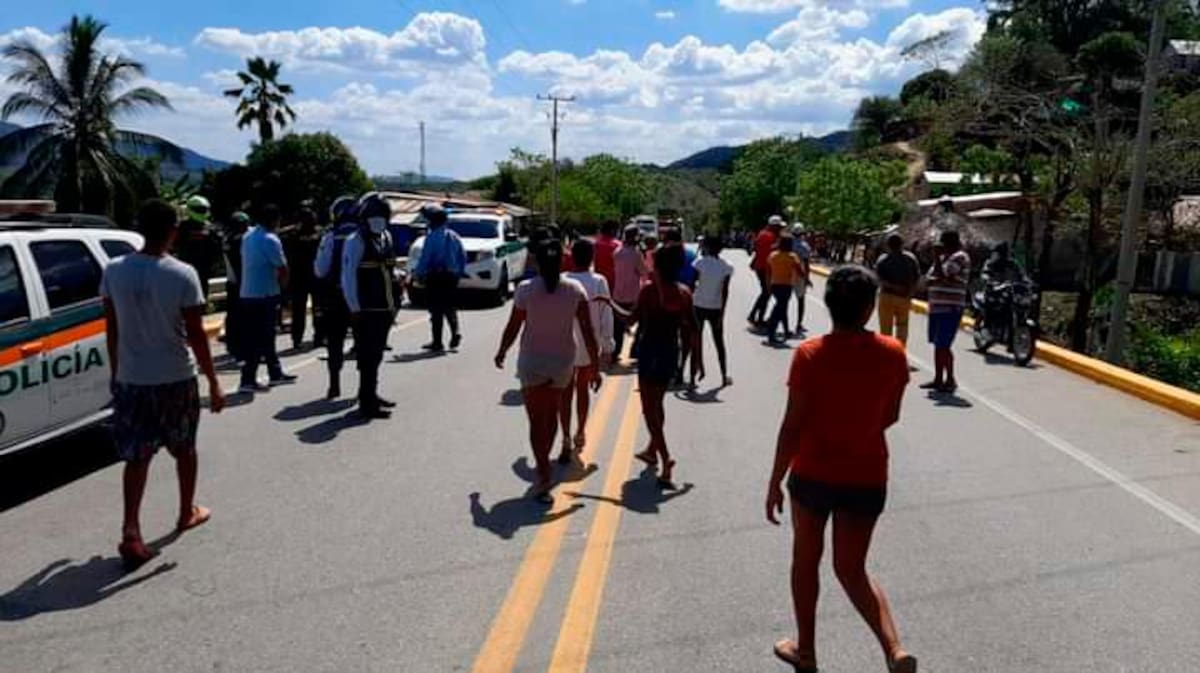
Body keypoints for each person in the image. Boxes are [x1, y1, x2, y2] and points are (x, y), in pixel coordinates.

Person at [765, 265, 916, 673]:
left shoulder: (810, 354)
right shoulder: (893, 353)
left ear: (829, 306)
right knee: (852, 569)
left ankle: (807, 651)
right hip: (867, 475)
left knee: (805, 560)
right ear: (870, 309)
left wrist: (774, 480)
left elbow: (792, 426)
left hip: (813, 473)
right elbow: (891, 416)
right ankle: (894, 648)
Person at [100, 199, 226, 570]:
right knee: (184, 448)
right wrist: (215, 383)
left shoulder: (113, 270)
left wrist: (116, 371)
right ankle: (185, 511)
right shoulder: (182, 274)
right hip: (174, 377)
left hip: (131, 379)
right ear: (174, 230)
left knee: (136, 457)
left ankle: (130, 530)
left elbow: (113, 328)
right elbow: (197, 336)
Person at [495, 236, 601, 504]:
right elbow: (587, 331)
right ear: (561, 260)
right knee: (552, 415)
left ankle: (543, 472)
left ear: (537, 262)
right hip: (562, 363)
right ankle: (545, 470)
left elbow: (514, 325)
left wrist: (502, 350)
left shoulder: (525, 289)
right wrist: (595, 366)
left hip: (532, 362)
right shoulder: (575, 289)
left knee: (535, 421)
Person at [607, 245, 702, 487]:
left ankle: (666, 458)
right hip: (670, 352)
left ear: (658, 267)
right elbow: (694, 329)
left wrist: (608, 303)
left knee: (649, 410)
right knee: (657, 404)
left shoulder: (649, 292)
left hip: (649, 352)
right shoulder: (684, 293)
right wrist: (698, 360)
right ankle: (652, 448)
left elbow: (630, 319)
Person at [342, 193, 399, 419]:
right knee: (367, 357)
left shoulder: (385, 237)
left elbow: (389, 270)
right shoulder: (355, 241)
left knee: (376, 355)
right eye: (375, 216)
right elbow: (347, 276)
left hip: (384, 307)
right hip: (365, 309)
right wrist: (354, 307)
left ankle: (371, 394)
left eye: (383, 216)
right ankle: (366, 402)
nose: (379, 220)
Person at [560, 239, 614, 459]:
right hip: (587, 343)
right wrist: (607, 345)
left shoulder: (563, 280)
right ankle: (580, 431)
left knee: (565, 392)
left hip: (564, 341)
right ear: (592, 257)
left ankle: (564, 436)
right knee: (582, 389)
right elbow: (605, 314)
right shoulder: (599, 281)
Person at [239, 204, 296, 393]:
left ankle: (275, 372)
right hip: (265, 294)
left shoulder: (248, 237)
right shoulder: (271, 239)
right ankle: (248, 379)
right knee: (259, 337)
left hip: (248, 293)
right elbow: (282, 269)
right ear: (273, 220)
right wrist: (284, 292)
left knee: (265, 336)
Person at [314, 196, 360, 399]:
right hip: (362, 297)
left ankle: (334, 384)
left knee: (335, 342)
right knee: (365, 342)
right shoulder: (365, 236)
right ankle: (365, 388)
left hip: (336, 296)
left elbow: (320, 270)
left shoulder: (330, 237)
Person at [413, 204, 466, 352]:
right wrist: (458, 273)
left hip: (436, 277)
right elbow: (463, 257)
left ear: (433, 221)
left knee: (436, 310)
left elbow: (425, 258)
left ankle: (437, 342)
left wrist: (418, 274)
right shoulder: (454, 236)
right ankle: (455, 332)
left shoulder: (431, 237)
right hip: (451, 277)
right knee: (450, 307)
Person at [923, 230, 970, 393]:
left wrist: (936, 260)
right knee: (938, 345)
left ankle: (950, 379)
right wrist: (939, 272)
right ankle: (938, 379)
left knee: (944, 345)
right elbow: (928, 280)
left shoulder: (960, 257)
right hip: (936, 307)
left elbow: (943, 276)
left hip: (950, 307)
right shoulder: (943, 259)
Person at [692, 235, 734, 386]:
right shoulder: (726, 266)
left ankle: (692, 377)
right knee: (719, 342)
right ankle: (724, 375)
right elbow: (725, 292)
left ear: (707, 248)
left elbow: (693, 284)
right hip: (716, 307)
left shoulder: (699, 263)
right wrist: (722, 313)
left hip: (698, 305)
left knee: (696, 340)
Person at [284, 206, 323, 350]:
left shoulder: (293, 234)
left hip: (307, 277)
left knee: (313, 310)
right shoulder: (295, 234)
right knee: (303, 311)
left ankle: (312, 337)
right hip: (305, 277)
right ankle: (305, 338)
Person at [873, 234, 921, 347]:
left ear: (888, 245)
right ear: (902, 244)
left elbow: (878, 278)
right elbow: (916, 277)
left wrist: (891, 286)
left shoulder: (883, 259)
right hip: (904, 296)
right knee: (902, 326)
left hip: (886, 296)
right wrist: (910, 292)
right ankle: (899, 351)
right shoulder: (911, 258)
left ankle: (886, 351)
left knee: (885, 327)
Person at [611, 226, 649, 358]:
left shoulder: (617, 251)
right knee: (643, 322)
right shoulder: (635, 253)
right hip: (633, 295)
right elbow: (644, 272)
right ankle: (635, 350)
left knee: (618, 327)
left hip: (618, 294)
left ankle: (615, 351)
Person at [176, 195, 222, 301]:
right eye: (200, 209)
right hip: (186, 268)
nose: (203, 212)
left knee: (201, 299)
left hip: (203, 269)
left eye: (204, 209)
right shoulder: (183, 227)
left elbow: (217, 248)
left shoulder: (210, 228)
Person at [764, 236, 807, 345]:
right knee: (779, 309)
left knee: (782, 307)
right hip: (786, 286)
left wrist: (768, 284)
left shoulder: (773, 255)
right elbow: (800, 271)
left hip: (775, 285)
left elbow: (768, 271)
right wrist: (805, 279)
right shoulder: (793, 257)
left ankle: (785, 330)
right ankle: (771, 331)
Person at [221, 211, 251, 362]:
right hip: (240, 282)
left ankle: (233, 347)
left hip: (232, 281)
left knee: (233, 316)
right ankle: (240, 349)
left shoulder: (227, 238)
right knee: (242, 317)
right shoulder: (237, 240)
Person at [749, 215, 785, 327]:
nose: (780, 229)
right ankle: (757, 317)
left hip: (760, 267)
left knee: (765, 293)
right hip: (765, 268)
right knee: (766, 293)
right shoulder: (771, 236)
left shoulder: (762, 233)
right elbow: (771, 252)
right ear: (774, 226)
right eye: (779, 227)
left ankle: (755, 316)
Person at [792, 226, 813, 335]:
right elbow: (806, 263)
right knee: (801, 300)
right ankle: (799, 324)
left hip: (788, 272)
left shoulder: (788, 243)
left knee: (784, 300)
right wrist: (807, 278)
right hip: (800, 273)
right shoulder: (804, 246)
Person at [593, 221, 621, 291]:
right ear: (613, 231)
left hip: (598, 279)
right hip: (613, 280)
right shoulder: (617, 246)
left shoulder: (596, 244)